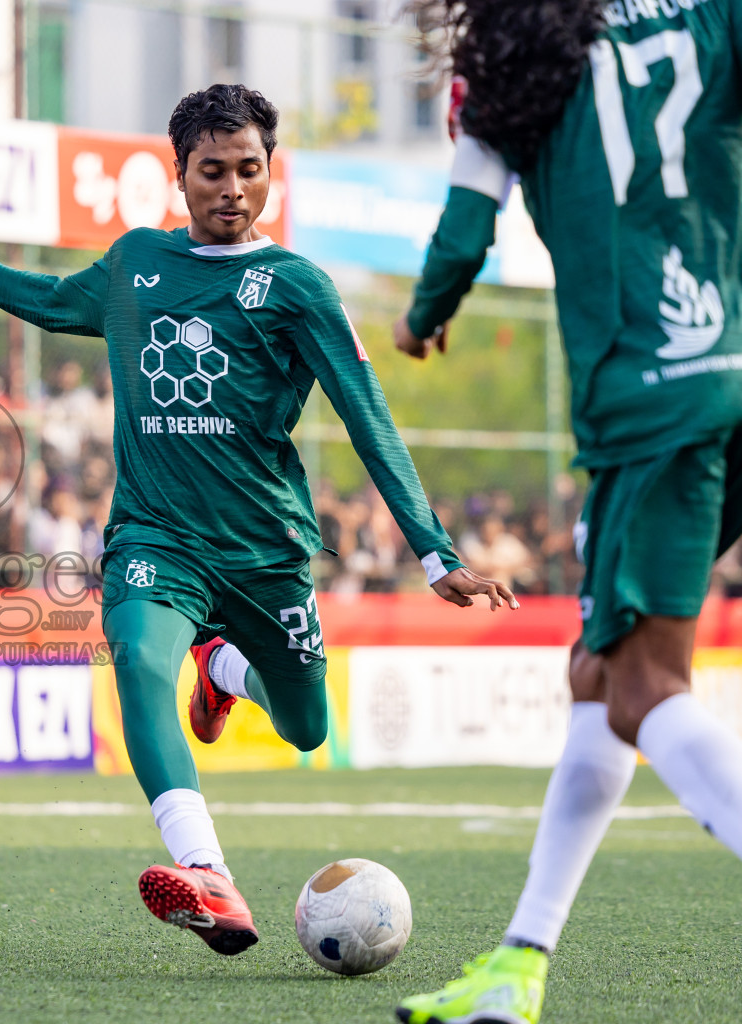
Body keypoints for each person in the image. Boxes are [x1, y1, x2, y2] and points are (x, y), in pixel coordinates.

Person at [0, 83, 514, 957]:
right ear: (178, 176)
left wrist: (434, 550)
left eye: (248, 170)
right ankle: (208, 872)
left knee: (305, 728)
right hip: (157, 534)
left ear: (270, 176)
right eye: (211, 171)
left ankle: (221, 666)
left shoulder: (298, 287)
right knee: (139, 661)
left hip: (265, 550)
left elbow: (369, 416)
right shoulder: (136, 264)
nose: (231, 188)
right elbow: (45, 297)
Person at [391, 3, 742, 1021]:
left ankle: (519, 964)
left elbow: (463, 233)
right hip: (729, 374)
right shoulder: (709, 21)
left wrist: (422, 319)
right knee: (595, 675)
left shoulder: (505, 66)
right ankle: (519, 962)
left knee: (642, 687)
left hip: (656, 402)